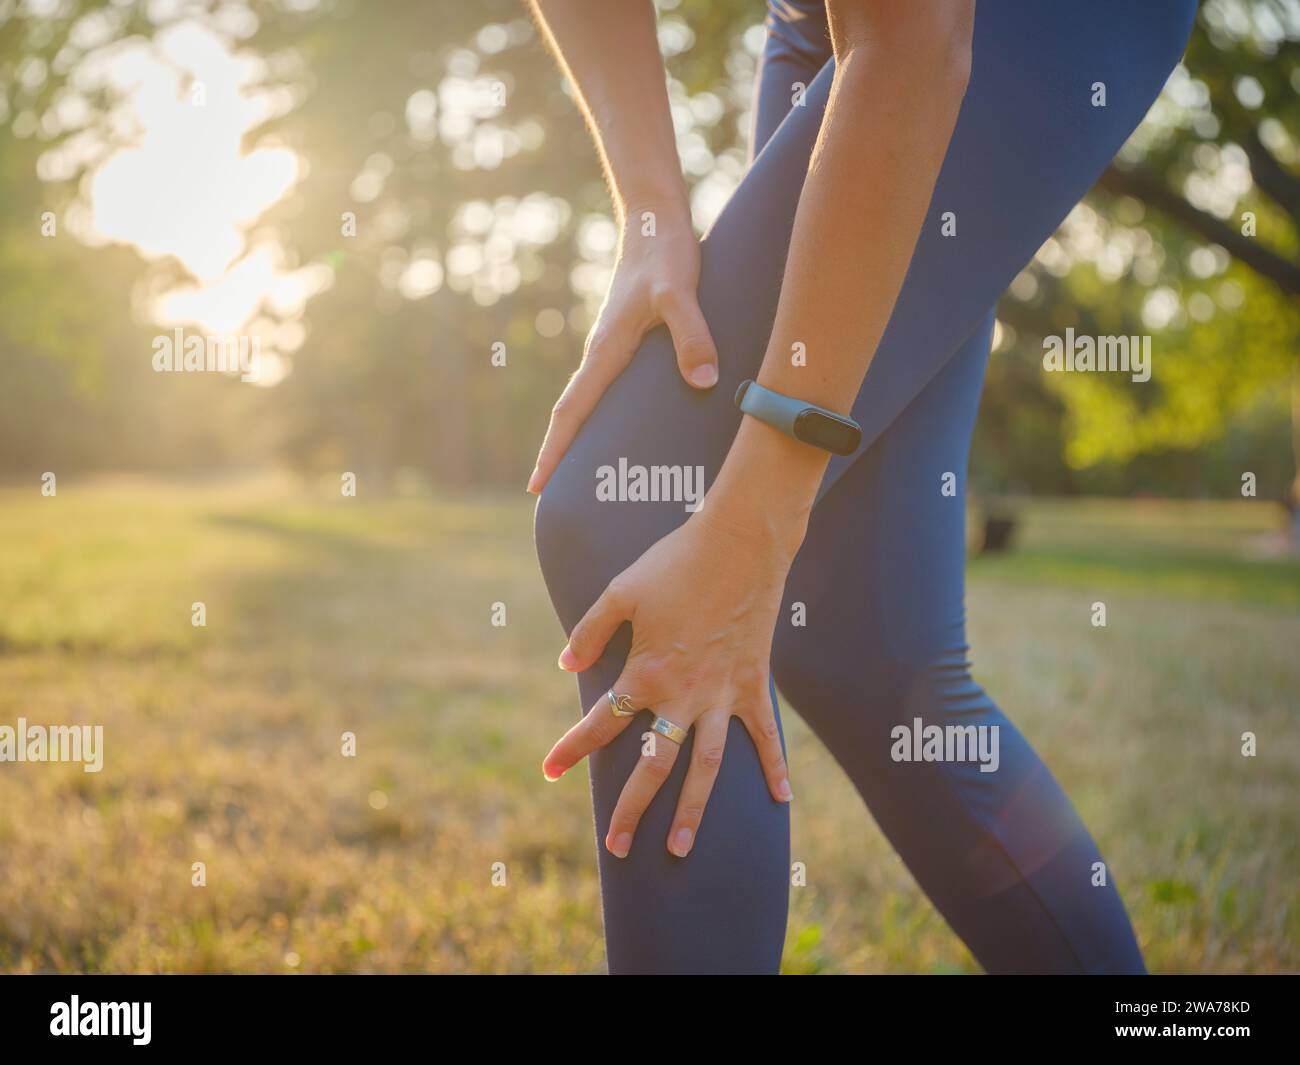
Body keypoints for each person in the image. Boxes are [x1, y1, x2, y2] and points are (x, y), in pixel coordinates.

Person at [527, 0, 1198, 974]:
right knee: (861, 642)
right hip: (820, 23)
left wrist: (753, 520)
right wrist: (649, 216)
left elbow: (912, 49)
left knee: (633, 508)